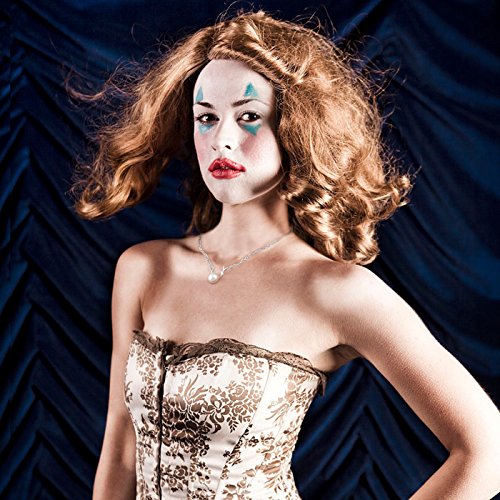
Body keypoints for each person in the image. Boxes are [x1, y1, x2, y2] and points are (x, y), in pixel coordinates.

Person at [71, 10, 500, 500]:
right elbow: (121, 450)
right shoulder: (144, 268)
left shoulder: (335, 290)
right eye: (206, 117)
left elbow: (487, 450)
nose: (222, 139)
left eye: (248, 116)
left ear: (296, 127)